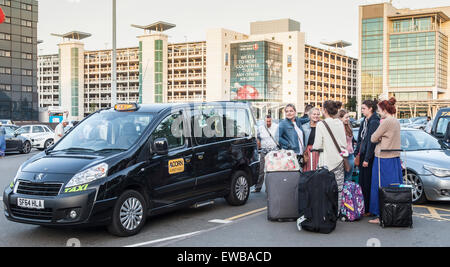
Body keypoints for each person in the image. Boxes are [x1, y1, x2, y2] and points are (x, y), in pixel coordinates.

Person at [368, 98, 403, 224]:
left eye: (379, 110)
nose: (378, 112)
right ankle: (394, 211)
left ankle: (380, 214)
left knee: (379, 186)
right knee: (393, 186)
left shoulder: (386, 122)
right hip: (394, 156)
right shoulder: (396, 121)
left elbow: (373, 138)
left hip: (383, 157)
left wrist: (380, 138)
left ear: (384, 109)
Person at [313, 101, 348, 209]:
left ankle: (326, 212)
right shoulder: (339, 123)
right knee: (338, 189)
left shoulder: (321, 124)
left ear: (325, 110)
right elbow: (344, 143)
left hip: (326, 162)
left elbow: (317, 145)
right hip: (339, 160)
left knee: (324, 188)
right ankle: (336, 212)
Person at [354, 100, 380, 216]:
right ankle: (364, 206)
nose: (362, 110)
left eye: (364, 108)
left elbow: (371, 142)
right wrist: (356, 152)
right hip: (362, 153)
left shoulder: (374, 121)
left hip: (368, 156)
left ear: (370, 109)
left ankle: (368, 208)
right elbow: (360, 138)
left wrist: (367, 159)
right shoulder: (365, 120)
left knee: (367, 183)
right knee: (362, 182)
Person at [254, 115, 279, 193]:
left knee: (272, 170)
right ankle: (258, 187)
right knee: (261, 170)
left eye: (269, 121)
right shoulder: (260, 128)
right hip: (263, 151)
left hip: (273, 151)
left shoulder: (276, 127)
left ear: (272, 121)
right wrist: (258, 145)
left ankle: (271, 188)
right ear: (264, 121)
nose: (268, 123)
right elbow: (257, 137)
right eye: (267, 121)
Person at [338, 109, 355, 181]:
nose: (348, 119)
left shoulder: (349, 127)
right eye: (346, 117)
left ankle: (347, 192)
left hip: (350, 154)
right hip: (342, 155)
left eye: (348, 117)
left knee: (349, 177)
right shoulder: (338, 128)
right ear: (340, 118)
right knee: (342, 178)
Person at [302, 107, 321, 172]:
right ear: (310, 115)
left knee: (318, 170)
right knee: (308, 171)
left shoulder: (322, 126)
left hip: (319, 151)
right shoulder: (304, 127)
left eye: (318, 114)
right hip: (308, 151)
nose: (316, 116)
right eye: (314, 114)